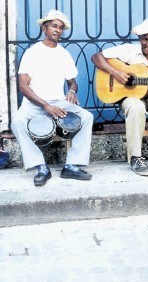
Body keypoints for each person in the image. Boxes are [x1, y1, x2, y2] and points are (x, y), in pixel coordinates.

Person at [91, 19, 148, 176]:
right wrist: (116, 73)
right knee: (135, 106)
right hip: (132, 97)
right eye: (145, 39)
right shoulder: (128, 50)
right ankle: (136, 158)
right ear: (139, 38)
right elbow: (96, 57)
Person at [11, 10, 93, 186]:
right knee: (17, 122)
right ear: (44, 28)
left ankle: (71, 166)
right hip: (35, 103)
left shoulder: (63, 54)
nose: (58, 30)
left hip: (59, 102)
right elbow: (23, 86)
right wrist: (46, 105)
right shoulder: (32, 53)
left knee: (87, 116)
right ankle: (40, 167)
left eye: (61, 28)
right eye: (54, 26)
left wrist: (72, 91)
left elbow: (73, 82)